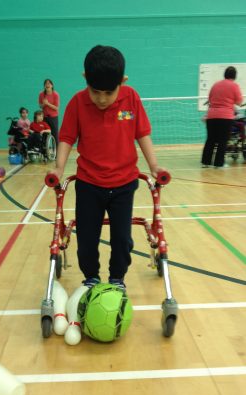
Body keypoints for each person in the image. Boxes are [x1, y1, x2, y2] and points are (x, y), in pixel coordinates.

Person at [48, 45, 166, 290]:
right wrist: (59, 168)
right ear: (85, 80)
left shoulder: (131, 98)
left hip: (123, 184)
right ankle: (91, 277)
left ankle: (117, 279)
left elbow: (142, 134)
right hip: (89, 184)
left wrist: (154, 165)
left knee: (121, 239)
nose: (101, 99)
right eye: (95, 91)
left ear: (122, 82)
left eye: (109, 92)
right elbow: (67, 138)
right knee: (87, 239)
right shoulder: (78, 102)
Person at [201, 66, 243, 168]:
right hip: (225, 117)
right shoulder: (234, 86)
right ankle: (219, 164)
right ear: (235, 76)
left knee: (210, 139)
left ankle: (206, 162)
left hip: (211, 116)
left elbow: (210, 99)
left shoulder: (216, 85)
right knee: (222, 140)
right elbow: (239, 101)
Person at [38, 79, 59, 144]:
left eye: (49, 83)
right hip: (44, 117)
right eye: (46, 84)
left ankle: (56, 152)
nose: (47, 85)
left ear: (52, 85)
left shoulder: (55, 94)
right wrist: (44, 104)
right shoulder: (41, 94)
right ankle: (45, 152)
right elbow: (40, 106)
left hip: (53, 118)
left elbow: (56, 108)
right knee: (44, 134)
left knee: (55, 135)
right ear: (44, 86)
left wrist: (47, 104)